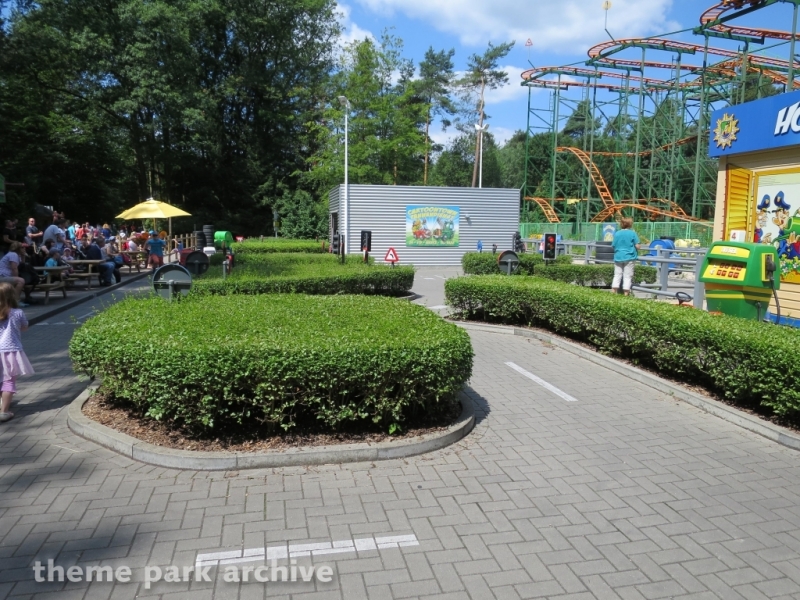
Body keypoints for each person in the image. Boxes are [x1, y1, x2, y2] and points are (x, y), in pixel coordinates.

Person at [0, 282, 34, 422]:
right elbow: (24, 327)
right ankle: (4, 412)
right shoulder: (17, 313)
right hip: (10, 351)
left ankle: (3, 403)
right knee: (8, 381)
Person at [611, 217, 641, 296]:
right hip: (629, 256)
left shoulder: (617, 233)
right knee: (627, 276)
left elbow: (613, 245)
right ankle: (626, 293)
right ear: (630, 224)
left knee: (617, 275)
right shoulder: (632, 233)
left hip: (618, 256)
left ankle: (613, 292)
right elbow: (637, 246)